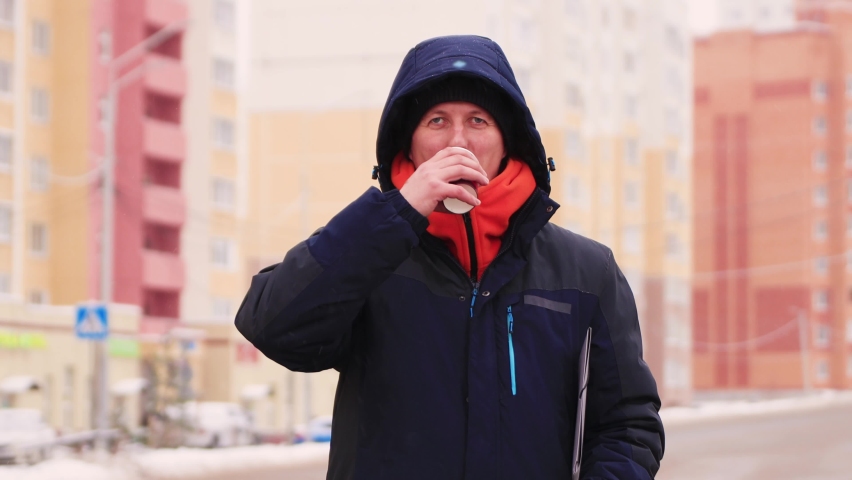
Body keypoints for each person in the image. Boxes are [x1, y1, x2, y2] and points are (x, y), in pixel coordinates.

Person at [235, 35, 664, 479]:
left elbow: (628, 426)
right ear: (409, 140)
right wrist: (397, 212)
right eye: (437, 120)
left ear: (507, 139)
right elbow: (273, 327)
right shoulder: (369, 254)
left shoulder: (586, 270)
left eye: (478, 120)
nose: (457, 140)